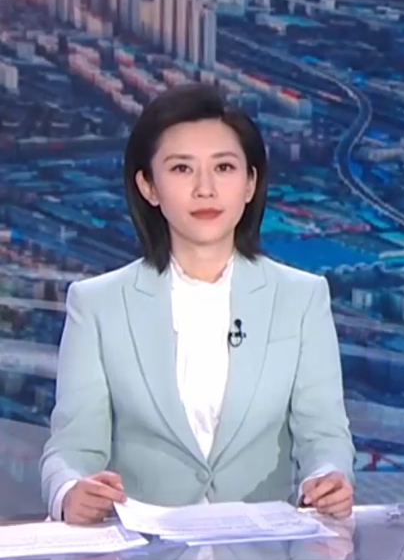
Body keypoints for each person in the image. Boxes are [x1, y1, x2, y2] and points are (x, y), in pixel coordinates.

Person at [41, 83, 357, 524]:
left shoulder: (301, 298)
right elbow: (72, 448)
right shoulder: (97, 305)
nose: (205, 189)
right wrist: (69, 491)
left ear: (250, 183)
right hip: (143, 557)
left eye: (224, 167)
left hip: (262, 554)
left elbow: (324, 434)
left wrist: (327, 478)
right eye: (182, 169)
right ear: (149, 187)